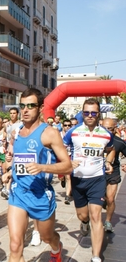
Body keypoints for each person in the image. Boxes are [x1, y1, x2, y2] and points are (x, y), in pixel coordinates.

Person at [2, 88, 72, 262]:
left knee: (47, 237)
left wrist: (42, 167)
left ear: (40, 108)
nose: (25, 110)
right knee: (15, 245)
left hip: (41, 195)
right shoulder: (16, 131)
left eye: (31, 106)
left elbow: (67, 166)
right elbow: (17, 159)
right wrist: (9, 169)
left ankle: (56, 248)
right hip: (18, 193)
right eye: (22, 106)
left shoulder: (50, 133)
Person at [63, 98, 115, 262]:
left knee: (96, 216)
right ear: (82, 113)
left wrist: (108, 161)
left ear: (98, 114)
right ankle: (83, 223)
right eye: (86, 112)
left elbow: (111, 149)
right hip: (78, 180)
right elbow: (61, 149)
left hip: (97, 179)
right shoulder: (73, 132)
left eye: (93, 112)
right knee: (83, 215)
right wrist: (67, 162)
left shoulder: (106, 134)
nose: (90, 115)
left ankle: (95, 256)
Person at [101, 118, 126, 233]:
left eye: (109, 128)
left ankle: (108, 222)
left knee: (110, 199)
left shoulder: (119, 142)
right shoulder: (95, 140)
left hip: (113, 172)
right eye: (104, 128)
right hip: (97, 172)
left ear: (115, 128)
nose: (106, 131)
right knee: (100, 199)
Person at [59, 119, 73, 205]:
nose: (67, 127)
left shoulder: (72, 134)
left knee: (68, 177)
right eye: (65, 125)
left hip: (69, 156)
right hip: (60, 157)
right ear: (62, 126)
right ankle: (62, 179)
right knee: (61, 177)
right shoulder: (58, 135)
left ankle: (67, 196)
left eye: (69, 125)